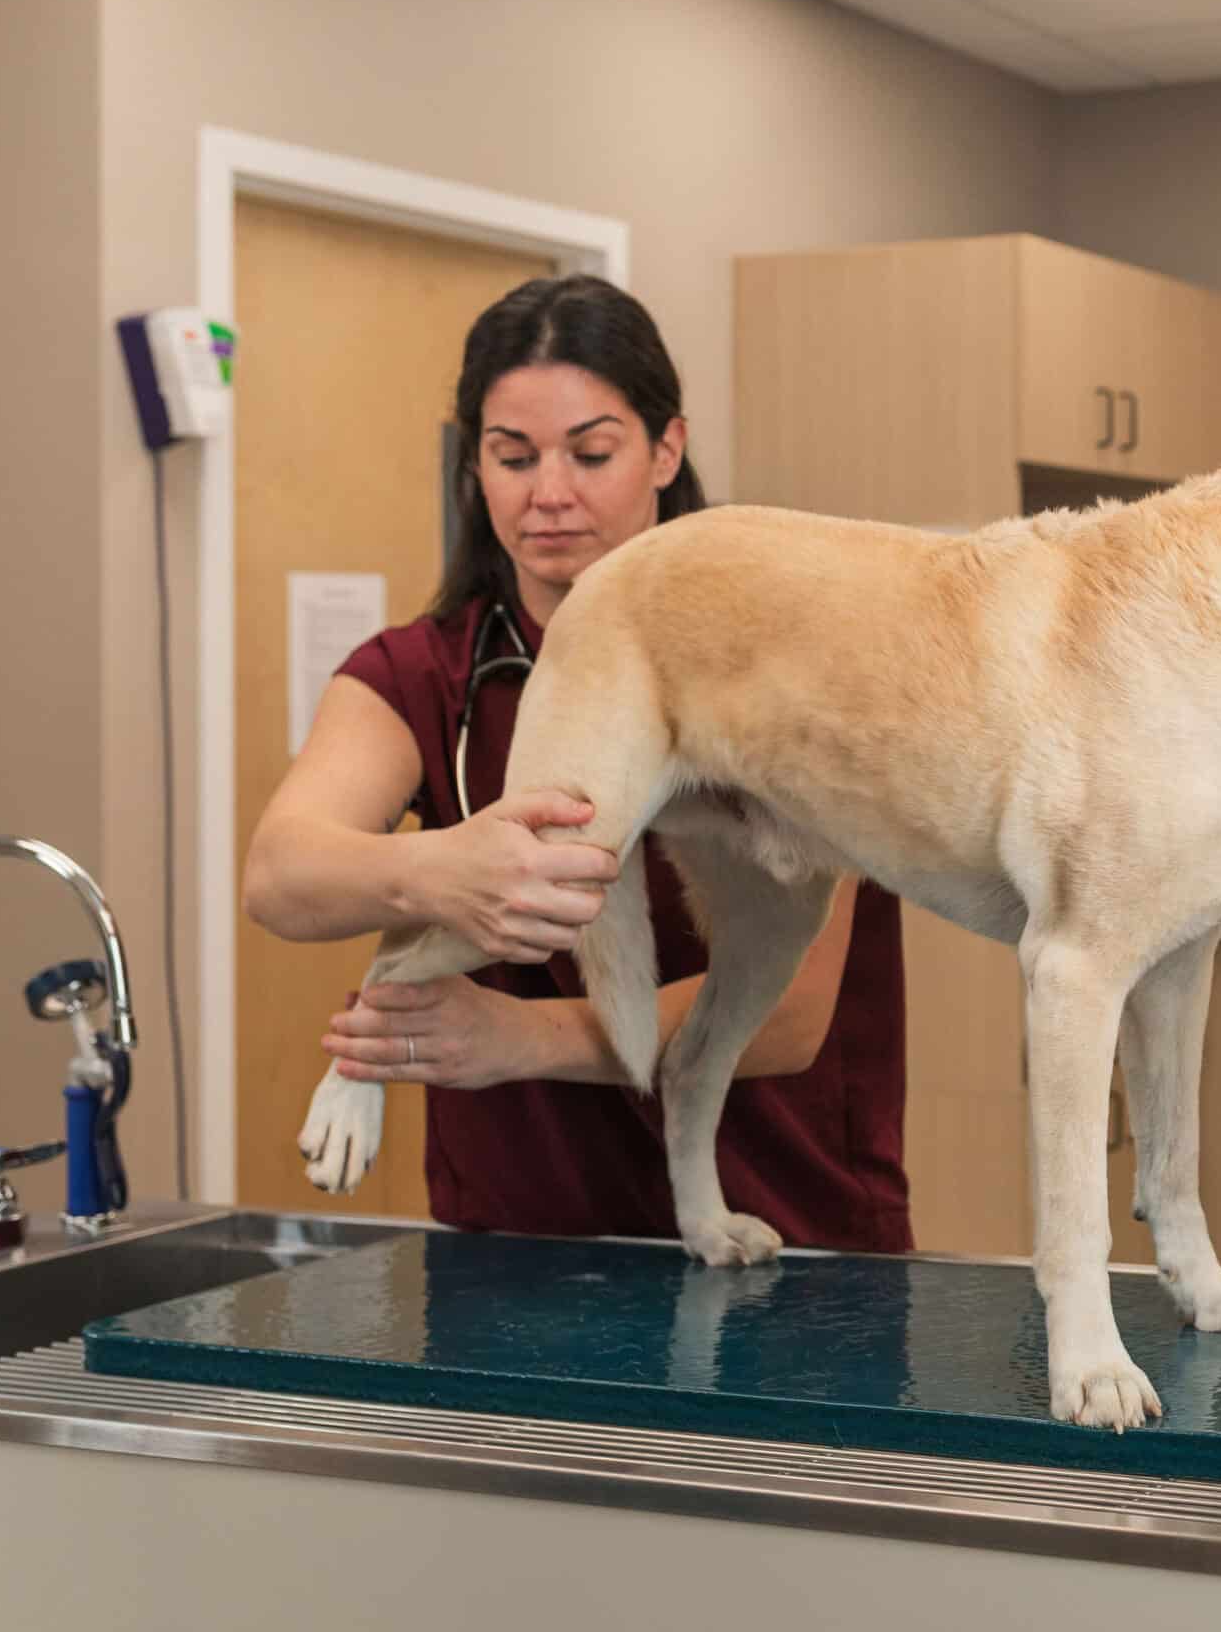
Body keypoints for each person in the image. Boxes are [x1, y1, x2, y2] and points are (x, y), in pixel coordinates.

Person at [243, 275, 911, 1253]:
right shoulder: (427, 675)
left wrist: (521, 1039)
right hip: (518, 1245)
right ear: (475, 465)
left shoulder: (789, 658)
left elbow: (792, 1015)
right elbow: (280, 877)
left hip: (789, 1228)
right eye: (512, 457)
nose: (548, 493)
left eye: (591, 453)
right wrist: (443, 870)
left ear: (665, 449)